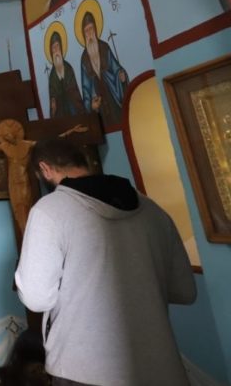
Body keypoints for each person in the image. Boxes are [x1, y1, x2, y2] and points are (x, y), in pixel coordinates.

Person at [15, 138, 196, 385]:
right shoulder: (152, 210)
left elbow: (36, 298)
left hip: (82, 369)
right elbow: (185, 291)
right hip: (160, 364)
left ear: (45, 169)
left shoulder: (50, 210)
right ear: (85, 162)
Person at [78, 11, 127, 127]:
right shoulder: (84, 58)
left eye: (91, 29)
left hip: (112, 95)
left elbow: (116, 68)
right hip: (98, 103)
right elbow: (85, 87)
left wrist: (122, 75)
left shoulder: (105, 47)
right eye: (86, 31)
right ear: (83, 34)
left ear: (95, 29)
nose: (89, 33)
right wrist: (90, 105)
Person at [47, 30, 84, 118]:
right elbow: (52, 96)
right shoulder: (52, 75)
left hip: (73, 108)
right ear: (51, 52)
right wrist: (53, 102)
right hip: (60, 112)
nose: (56, 50)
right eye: (53, 48)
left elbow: (75, 90)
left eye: (57, 46)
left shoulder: (68, 68)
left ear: (61, 48)